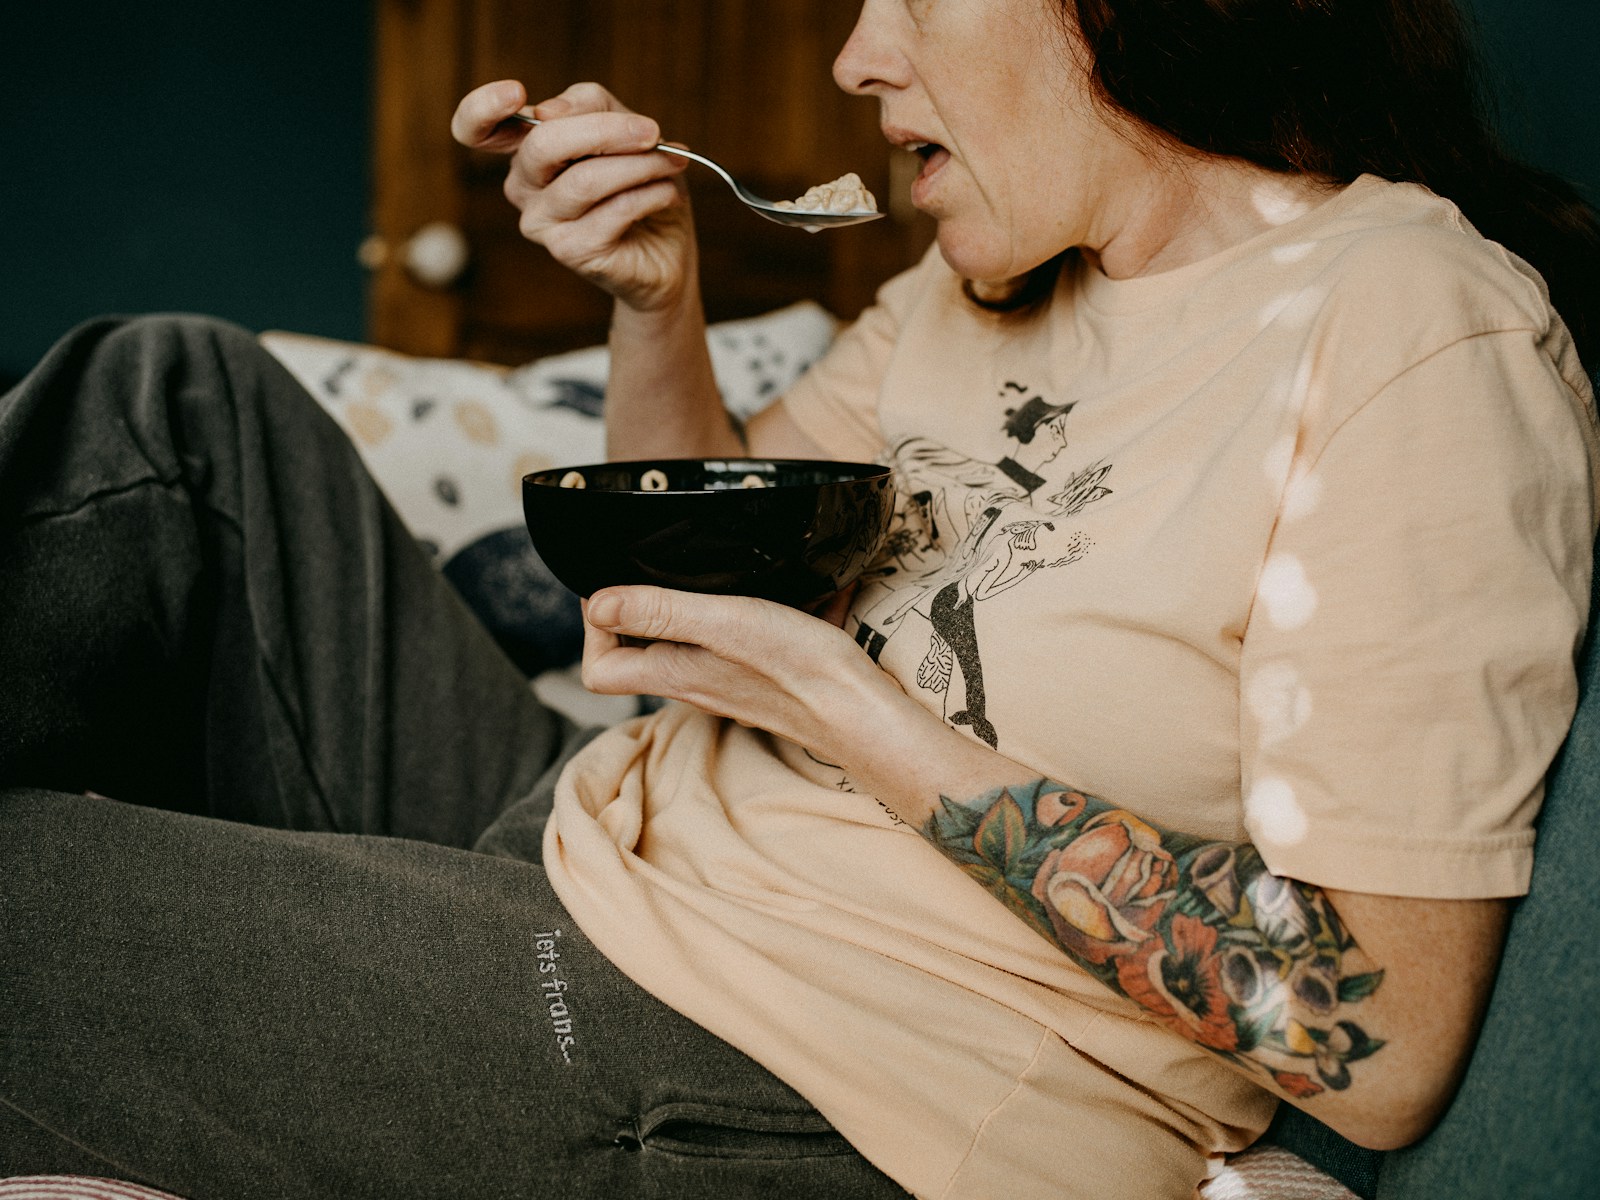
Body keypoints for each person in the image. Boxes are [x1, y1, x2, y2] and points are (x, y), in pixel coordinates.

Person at [3, 2, 1597, 1198]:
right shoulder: (973, 280)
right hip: (606, 828)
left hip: (819, 1060)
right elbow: (684, 579)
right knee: (174, 401)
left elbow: (1378, 1041)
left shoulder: (1415, 332)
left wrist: (857, 715)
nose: (855, 56)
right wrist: (656, 297)